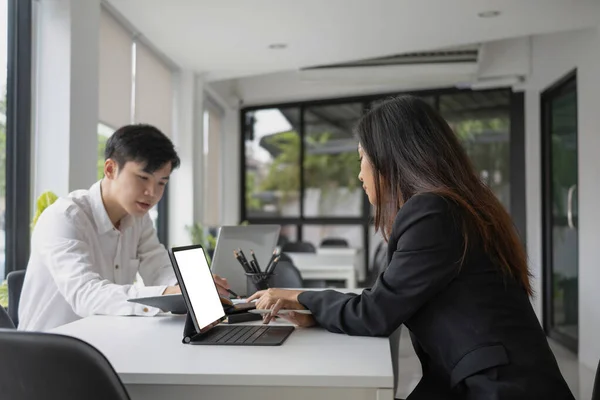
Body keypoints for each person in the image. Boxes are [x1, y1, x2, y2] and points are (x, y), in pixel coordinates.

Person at [248, 96, 575, 399]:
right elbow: (382, 301)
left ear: (389, 159)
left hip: (500, 389)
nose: (360, 173)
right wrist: (315, 311)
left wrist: (297, 295)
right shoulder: (454, 207)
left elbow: (375, 314)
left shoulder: (434, 213)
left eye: (361, 158)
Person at [19, 124, 231, 331]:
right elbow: (86, 295)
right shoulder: (64, 218)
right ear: (111, 169)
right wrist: (172, 292)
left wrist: (191, 286)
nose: (152, 192)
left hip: (105, 339)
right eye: (143, 178)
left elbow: (158, 269)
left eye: (161, 183)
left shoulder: (138, 219)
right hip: (47, 348)